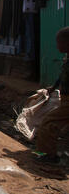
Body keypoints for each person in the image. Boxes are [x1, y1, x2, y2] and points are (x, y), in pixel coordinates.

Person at [34, 27, 69, 166]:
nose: (57, 46)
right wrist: (54, 87)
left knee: (48, 123)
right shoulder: (67, 58)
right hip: (65, 99)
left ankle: (48, 155)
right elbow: (62, 76)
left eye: (59, 42)